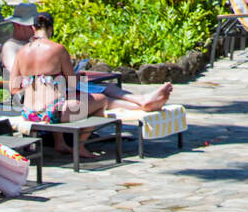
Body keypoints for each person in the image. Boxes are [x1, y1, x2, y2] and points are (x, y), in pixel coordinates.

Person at [9, 14, 172, 159]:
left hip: (29, 113)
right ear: (51, 28)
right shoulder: (57, 49)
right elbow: (71, 82)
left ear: (33, 28)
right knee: (100, 100)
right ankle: (79, 146)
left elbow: (13, 89)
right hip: (52, 113)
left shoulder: (21, 52)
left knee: (62, 100)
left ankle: (61, 144)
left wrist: (35, 84)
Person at [0, 4, 37, 78]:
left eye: (36, 25)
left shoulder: (32, 42)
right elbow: (14, 73)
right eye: (30, 26)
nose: (34, 29)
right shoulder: (10, 47)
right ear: (18, 25)